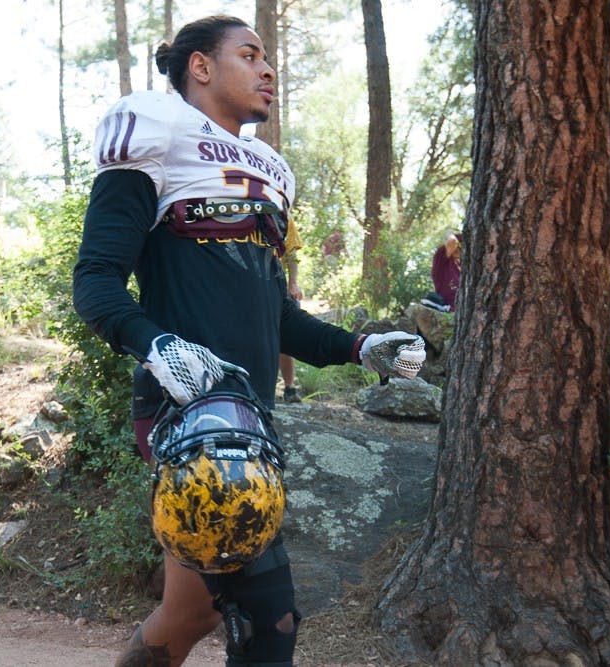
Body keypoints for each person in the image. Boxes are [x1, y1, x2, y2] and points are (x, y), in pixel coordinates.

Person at [72, 16, 425, 666]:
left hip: (251, 410)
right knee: (269, 615)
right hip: (188, 409)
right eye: (250, 54)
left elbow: (276, 314)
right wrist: (157, 346)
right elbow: (95, 280)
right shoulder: (155, 126)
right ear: (200, 66)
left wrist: (359, 348)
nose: (268, 69)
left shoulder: (272, 168)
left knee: (191, 613)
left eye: (268, 56)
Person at [279, 219, 303, 403]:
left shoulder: (283, 218)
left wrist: (293, 283)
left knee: (285, 338)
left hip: (278, 285)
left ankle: (289, 387)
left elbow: (291, 253)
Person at [429, 230, 462, 311]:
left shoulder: (462, 268)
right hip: (449, 311)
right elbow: (452, 241)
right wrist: (450, 233)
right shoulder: (440, 260)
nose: (460, 249)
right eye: (460, 245)